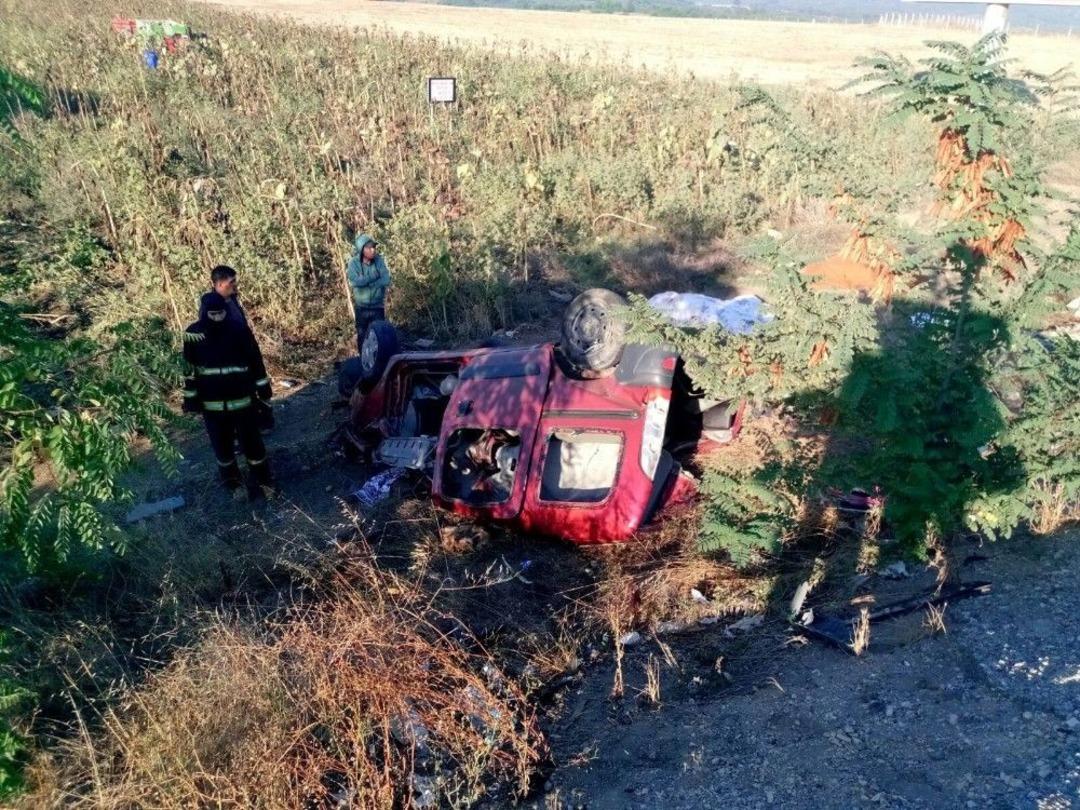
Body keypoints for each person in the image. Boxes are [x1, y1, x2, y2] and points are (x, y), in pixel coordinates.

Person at [183, 292, 275, 499]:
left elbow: (255, 362)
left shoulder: (239, 330)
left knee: (253, 446)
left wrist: (263, 390)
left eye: (221, 313)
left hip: (243, 403)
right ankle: (234, 486)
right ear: (204, 312)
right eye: (213, 314)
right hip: (212, 406)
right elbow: (188, 370)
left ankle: (264, 482)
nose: (217, 318)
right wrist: (191, 399)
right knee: (223, 450)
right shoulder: (193, 334)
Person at [345, 234, 391, 351]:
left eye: (374, 247)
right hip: (362, 308)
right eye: (369, 248)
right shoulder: (353, 263)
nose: (373, 250)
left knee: (379, 336)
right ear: (362, 250)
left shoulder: (379, 261)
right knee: (362, 336)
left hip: (377, 306)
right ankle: (364, 362)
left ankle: (379, 362)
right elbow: (355, 282)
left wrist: (366, 282)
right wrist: (374, 276)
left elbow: (386, 279)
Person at [199, 264, 248, 329]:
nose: (235, 284)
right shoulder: (211, 306)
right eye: (231, 282)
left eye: (235, 280)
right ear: (220, 285)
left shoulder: (232, 298)